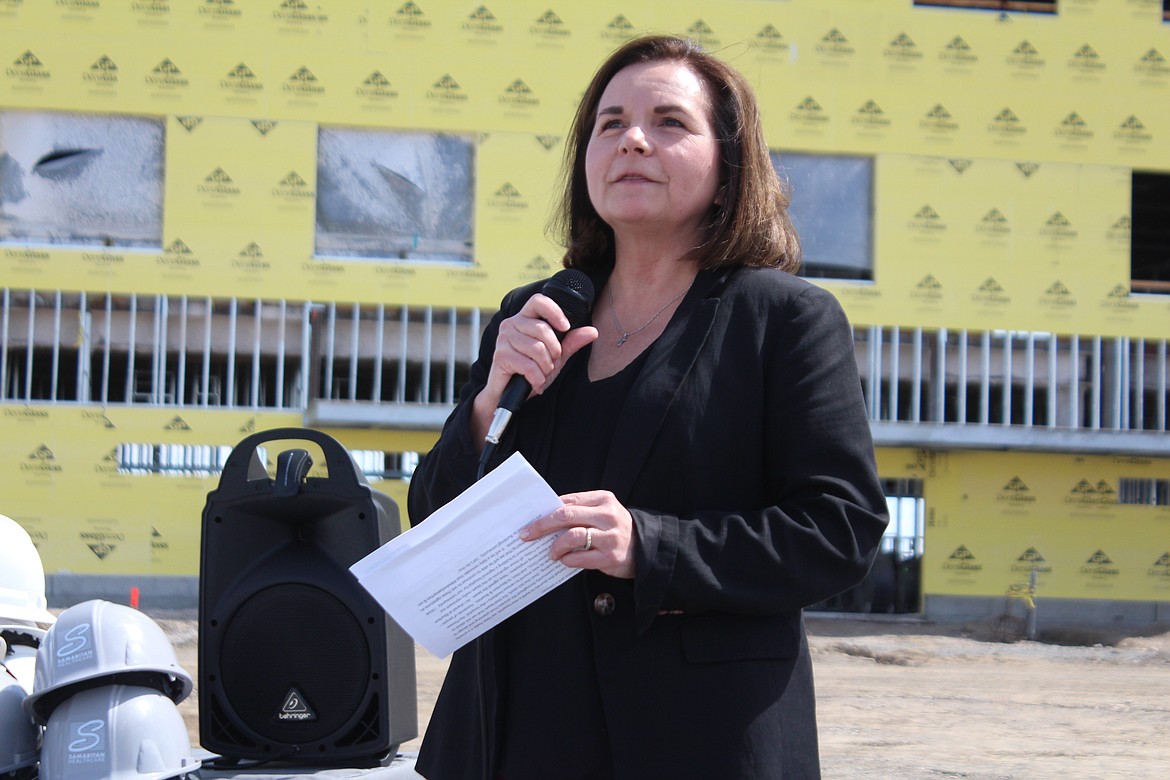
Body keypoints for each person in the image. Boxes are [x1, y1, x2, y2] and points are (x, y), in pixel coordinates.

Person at [407, 34, 890, 780]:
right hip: (506, 733)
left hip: (695, 737)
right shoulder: (535, 314)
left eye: (669, 122)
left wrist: (651, 548)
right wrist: (484, 405)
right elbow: (435, 514)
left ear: (729, 169)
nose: (632, 139)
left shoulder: (784, 319)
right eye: (610, 124)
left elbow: (839, 531)